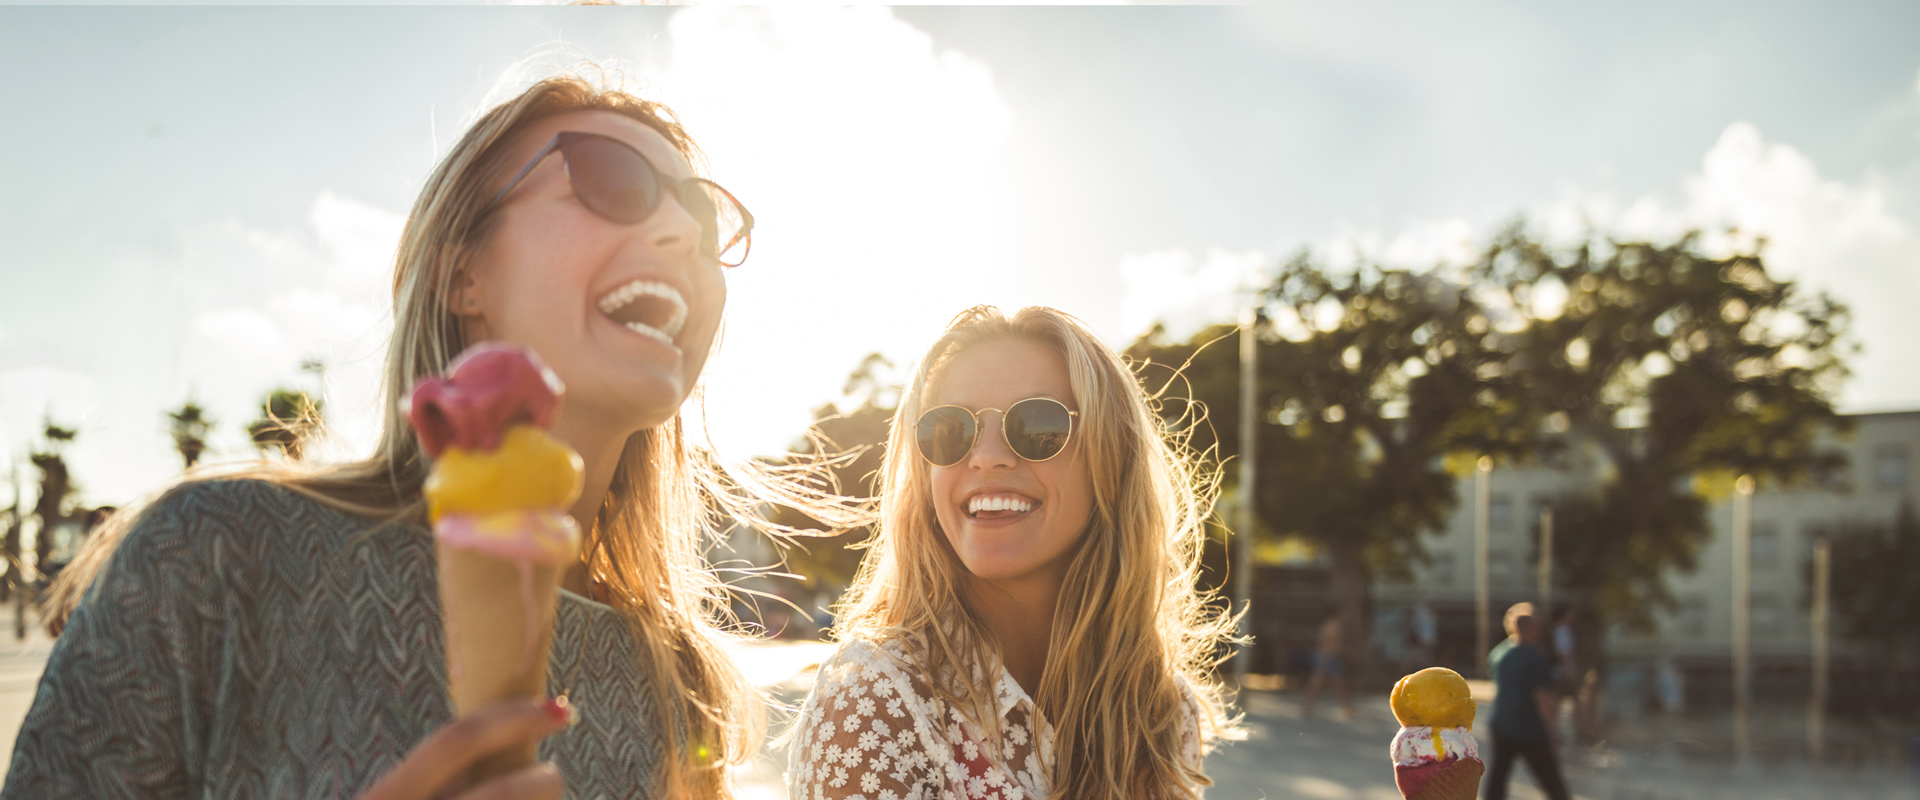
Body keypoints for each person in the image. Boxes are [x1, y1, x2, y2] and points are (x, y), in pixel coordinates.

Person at [4, 71, 813, 800]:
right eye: (611, 180)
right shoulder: (216, 552)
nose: (681, 230)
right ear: (464, 273)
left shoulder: (676, 673)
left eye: (705, 215)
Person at [788, 306, 1241, 800]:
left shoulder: (1163, 712)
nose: (985, 456)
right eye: (951, 429)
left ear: (1112, 458)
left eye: (1037, 425)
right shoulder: (873, 701)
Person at [1486, 603, 1572, 800]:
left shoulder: (1498, 653)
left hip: (1501, 723)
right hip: (1530, 727)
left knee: (1498, 775)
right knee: (1550, 778)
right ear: (1531, 629)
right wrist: (1553, 731)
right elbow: (1541, 697)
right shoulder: (1535, 657)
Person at [1300, 609, 1355, 721]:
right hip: (1327, 657)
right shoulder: (1332, 625)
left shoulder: (1331, 624)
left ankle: (1347, 707)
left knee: (1337, 683)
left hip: (1329, 657)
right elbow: (1327, 642)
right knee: (1320, 683)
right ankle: (1306, 706)